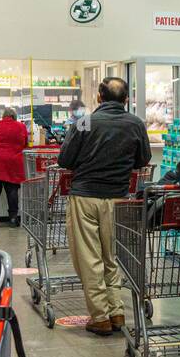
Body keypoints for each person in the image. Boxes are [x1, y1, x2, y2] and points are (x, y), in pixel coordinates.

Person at [57, 77, 150, 335]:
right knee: (112, 256)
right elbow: (143, 159)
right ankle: (117, 311)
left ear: (99, 97)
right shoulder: (135, 124)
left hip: (85, 197)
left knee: (90, 258)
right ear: (127, 99)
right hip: (118, 199)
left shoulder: (84, 122)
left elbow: (65, 159)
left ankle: (100, 317)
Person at [0, 107, 29, 227]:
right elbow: (25, 143)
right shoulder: (21, 126)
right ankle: (13, 219)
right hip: (13, 161)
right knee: (12, 190)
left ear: (3, 117)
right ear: (14, 117)